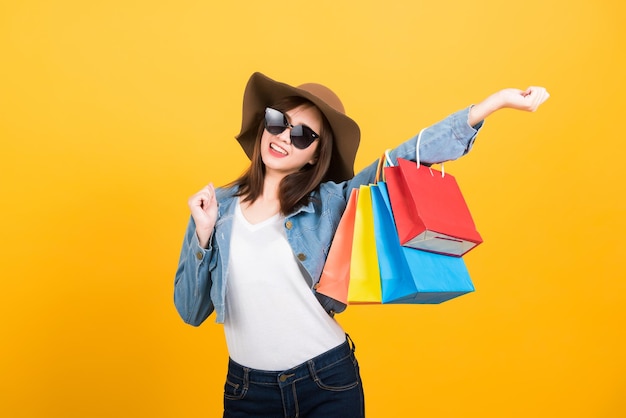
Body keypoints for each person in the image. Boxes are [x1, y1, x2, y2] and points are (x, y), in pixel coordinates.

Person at [174, 72, 549, 418]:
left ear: (316, 155)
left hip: (324, 381)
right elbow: (190, 311)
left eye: (303, 134)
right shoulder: (215, 207)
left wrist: (492, 104)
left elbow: (405, 156)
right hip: (247, 393)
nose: (285, 137)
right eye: (278, 121)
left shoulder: (331, 202)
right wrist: (203, 237)